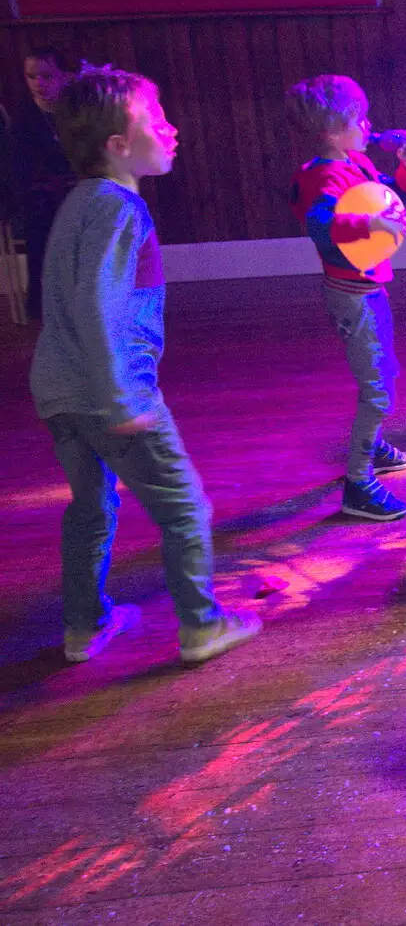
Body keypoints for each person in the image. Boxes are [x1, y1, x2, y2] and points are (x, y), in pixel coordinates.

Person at [30, 65, 261, 664]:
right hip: (110, 391)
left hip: (58, 391)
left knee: (91, 505)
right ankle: (203, 625)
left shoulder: (79, 203)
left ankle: (84, 625)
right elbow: (94, 303)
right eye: (155, 120)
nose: (171, 128)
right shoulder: (120, 211)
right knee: (185, 507)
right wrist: (121, 398)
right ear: (118, 146)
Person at [286, 75, 406, 521]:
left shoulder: (356, 163)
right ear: (330, 131)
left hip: (370, 288)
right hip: (352, 296)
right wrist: (373, 228)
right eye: (357, 119)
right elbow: (324, 230)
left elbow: (391, 198)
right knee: (377, 388)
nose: (368, 124)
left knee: (384, 373)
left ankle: (374, 443)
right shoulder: (323, 177)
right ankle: (359, 483)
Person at [11, 46, 77, 321]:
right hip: (40, 196)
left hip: (75, 189)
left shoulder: (75, 111)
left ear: (63, 76)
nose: (39, 83)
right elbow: (18, 167)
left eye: (47, 76)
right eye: (32, 76)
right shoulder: (23, 117)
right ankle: (45, 308)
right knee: (42, 236)